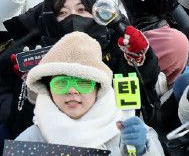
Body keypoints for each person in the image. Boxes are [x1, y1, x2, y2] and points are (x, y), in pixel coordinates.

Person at [12, 32, 161, 155]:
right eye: (61, 83)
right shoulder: (31, 140)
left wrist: (143, 151)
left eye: (83, 83)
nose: (72, 90)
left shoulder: (127, 129)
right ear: (49, 90)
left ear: (98, 89)